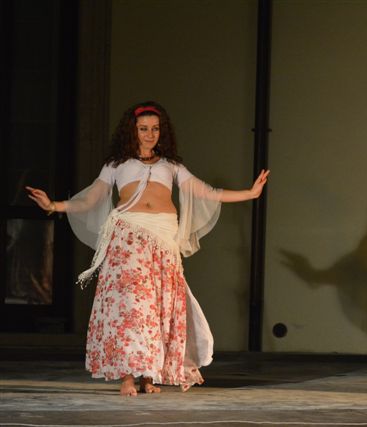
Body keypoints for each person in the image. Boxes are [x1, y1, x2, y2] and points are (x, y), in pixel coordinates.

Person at [26, 101, 269, 396]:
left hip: (164, 238)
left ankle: (148, 375)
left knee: (157, 306)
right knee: (131, 306)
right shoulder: (116, 165)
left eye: (155, 129)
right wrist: (53, 205)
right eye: (143, 129)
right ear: (132, 131)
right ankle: (128, 377)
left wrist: (250, 193)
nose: (150, 135)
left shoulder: (171, 165)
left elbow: (206, 192)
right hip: (128, 236)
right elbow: (91, 199)